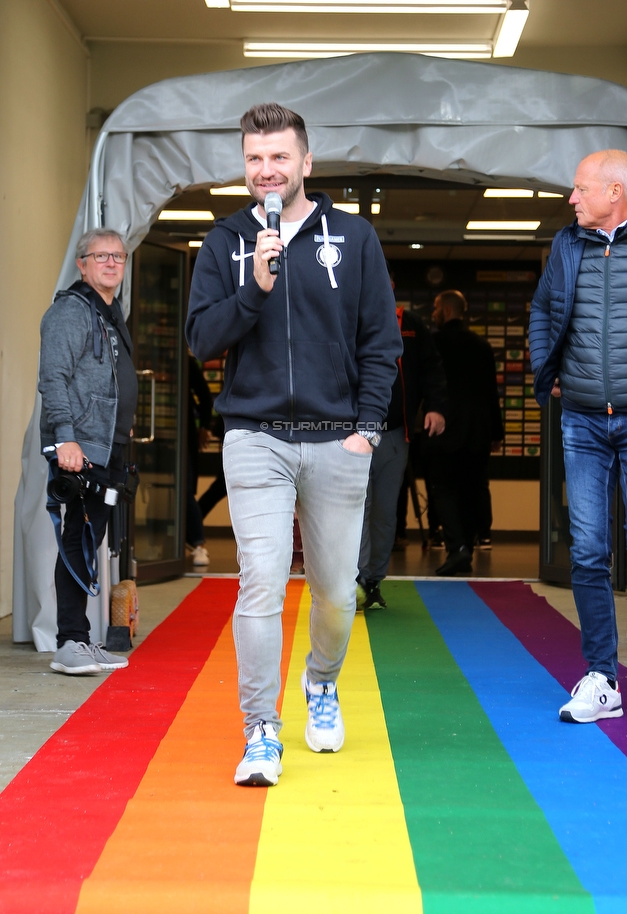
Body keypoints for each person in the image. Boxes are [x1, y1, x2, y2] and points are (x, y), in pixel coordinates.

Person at [186, 102, 401, 786]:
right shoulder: (224, 243)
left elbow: (381, 343)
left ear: (307, 163)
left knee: (336, 594)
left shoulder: (355, 239)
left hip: (337, 440)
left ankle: (321, 682)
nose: (266, 170)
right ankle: (261, 731)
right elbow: (200, 338)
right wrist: (254, 288)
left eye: (280, 157)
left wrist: (366, 431)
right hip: (255, 438)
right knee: (261, 582)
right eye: (254, 158)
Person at [530, 148, 627, 724]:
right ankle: (602, 677)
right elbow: (542, 310)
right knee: (588, 548)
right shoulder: (566, 244)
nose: (572, 199)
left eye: (580, 189)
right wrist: (545, 372)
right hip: (580, 418)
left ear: (614, 195)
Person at [39, 229, 138, 675]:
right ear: (82, 264)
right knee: (76, 543)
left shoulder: (110, 313)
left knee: (88, 540)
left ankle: (80, 639)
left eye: (118, 256)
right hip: (79, 448)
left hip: (106, 447)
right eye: (102, 256)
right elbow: (53, 378)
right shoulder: (70, 312)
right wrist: (66, 438)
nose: (112, 263)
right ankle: (70, 642)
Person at [356, 294, 446, 609]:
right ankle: (353, 580)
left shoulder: (410, 325)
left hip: (395, 434)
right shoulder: (346, 314)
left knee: (384, 512)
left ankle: (372, 580)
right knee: (357, 509)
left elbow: (431, 368)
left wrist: (434, 407)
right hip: (353, 434)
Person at [426, 290, 503, 576]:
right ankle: (467, 548)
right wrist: (496, 433)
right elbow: (491, 394)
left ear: (446, 310)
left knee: (443, 490)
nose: (433, 313)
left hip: (443, 431)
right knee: (472, 490)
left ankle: (456, 548)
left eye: (435, 307)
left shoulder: (434, 343)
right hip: (477, 433)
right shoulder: (482, 346)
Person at [186, 355, 213, 567]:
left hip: (184, 435)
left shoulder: (185, 362)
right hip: (157, 435)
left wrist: (204, 426)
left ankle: (197, 543)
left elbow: (205, 396)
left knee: (185, 490)